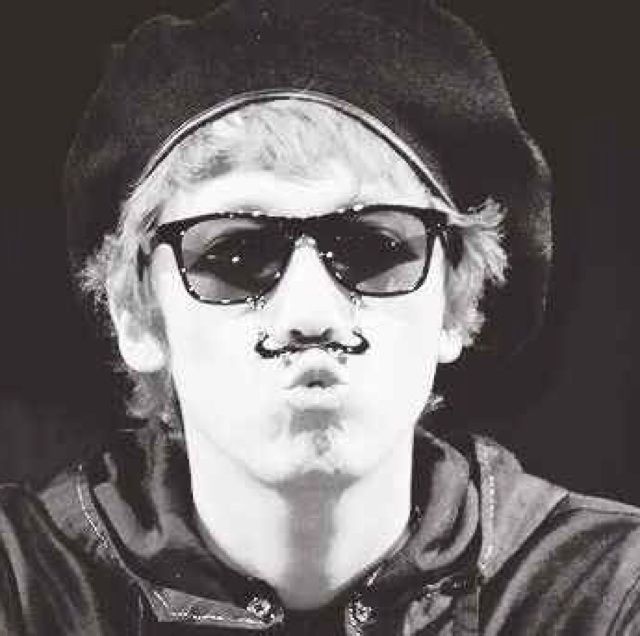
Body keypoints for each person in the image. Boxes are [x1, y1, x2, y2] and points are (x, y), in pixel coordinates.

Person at [1, 1, 639, 634]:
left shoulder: (608, 592)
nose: (310, 314)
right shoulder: (22, 588)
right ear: (136, 316)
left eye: (376, 249)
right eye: (235, 254)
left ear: (453, 303)